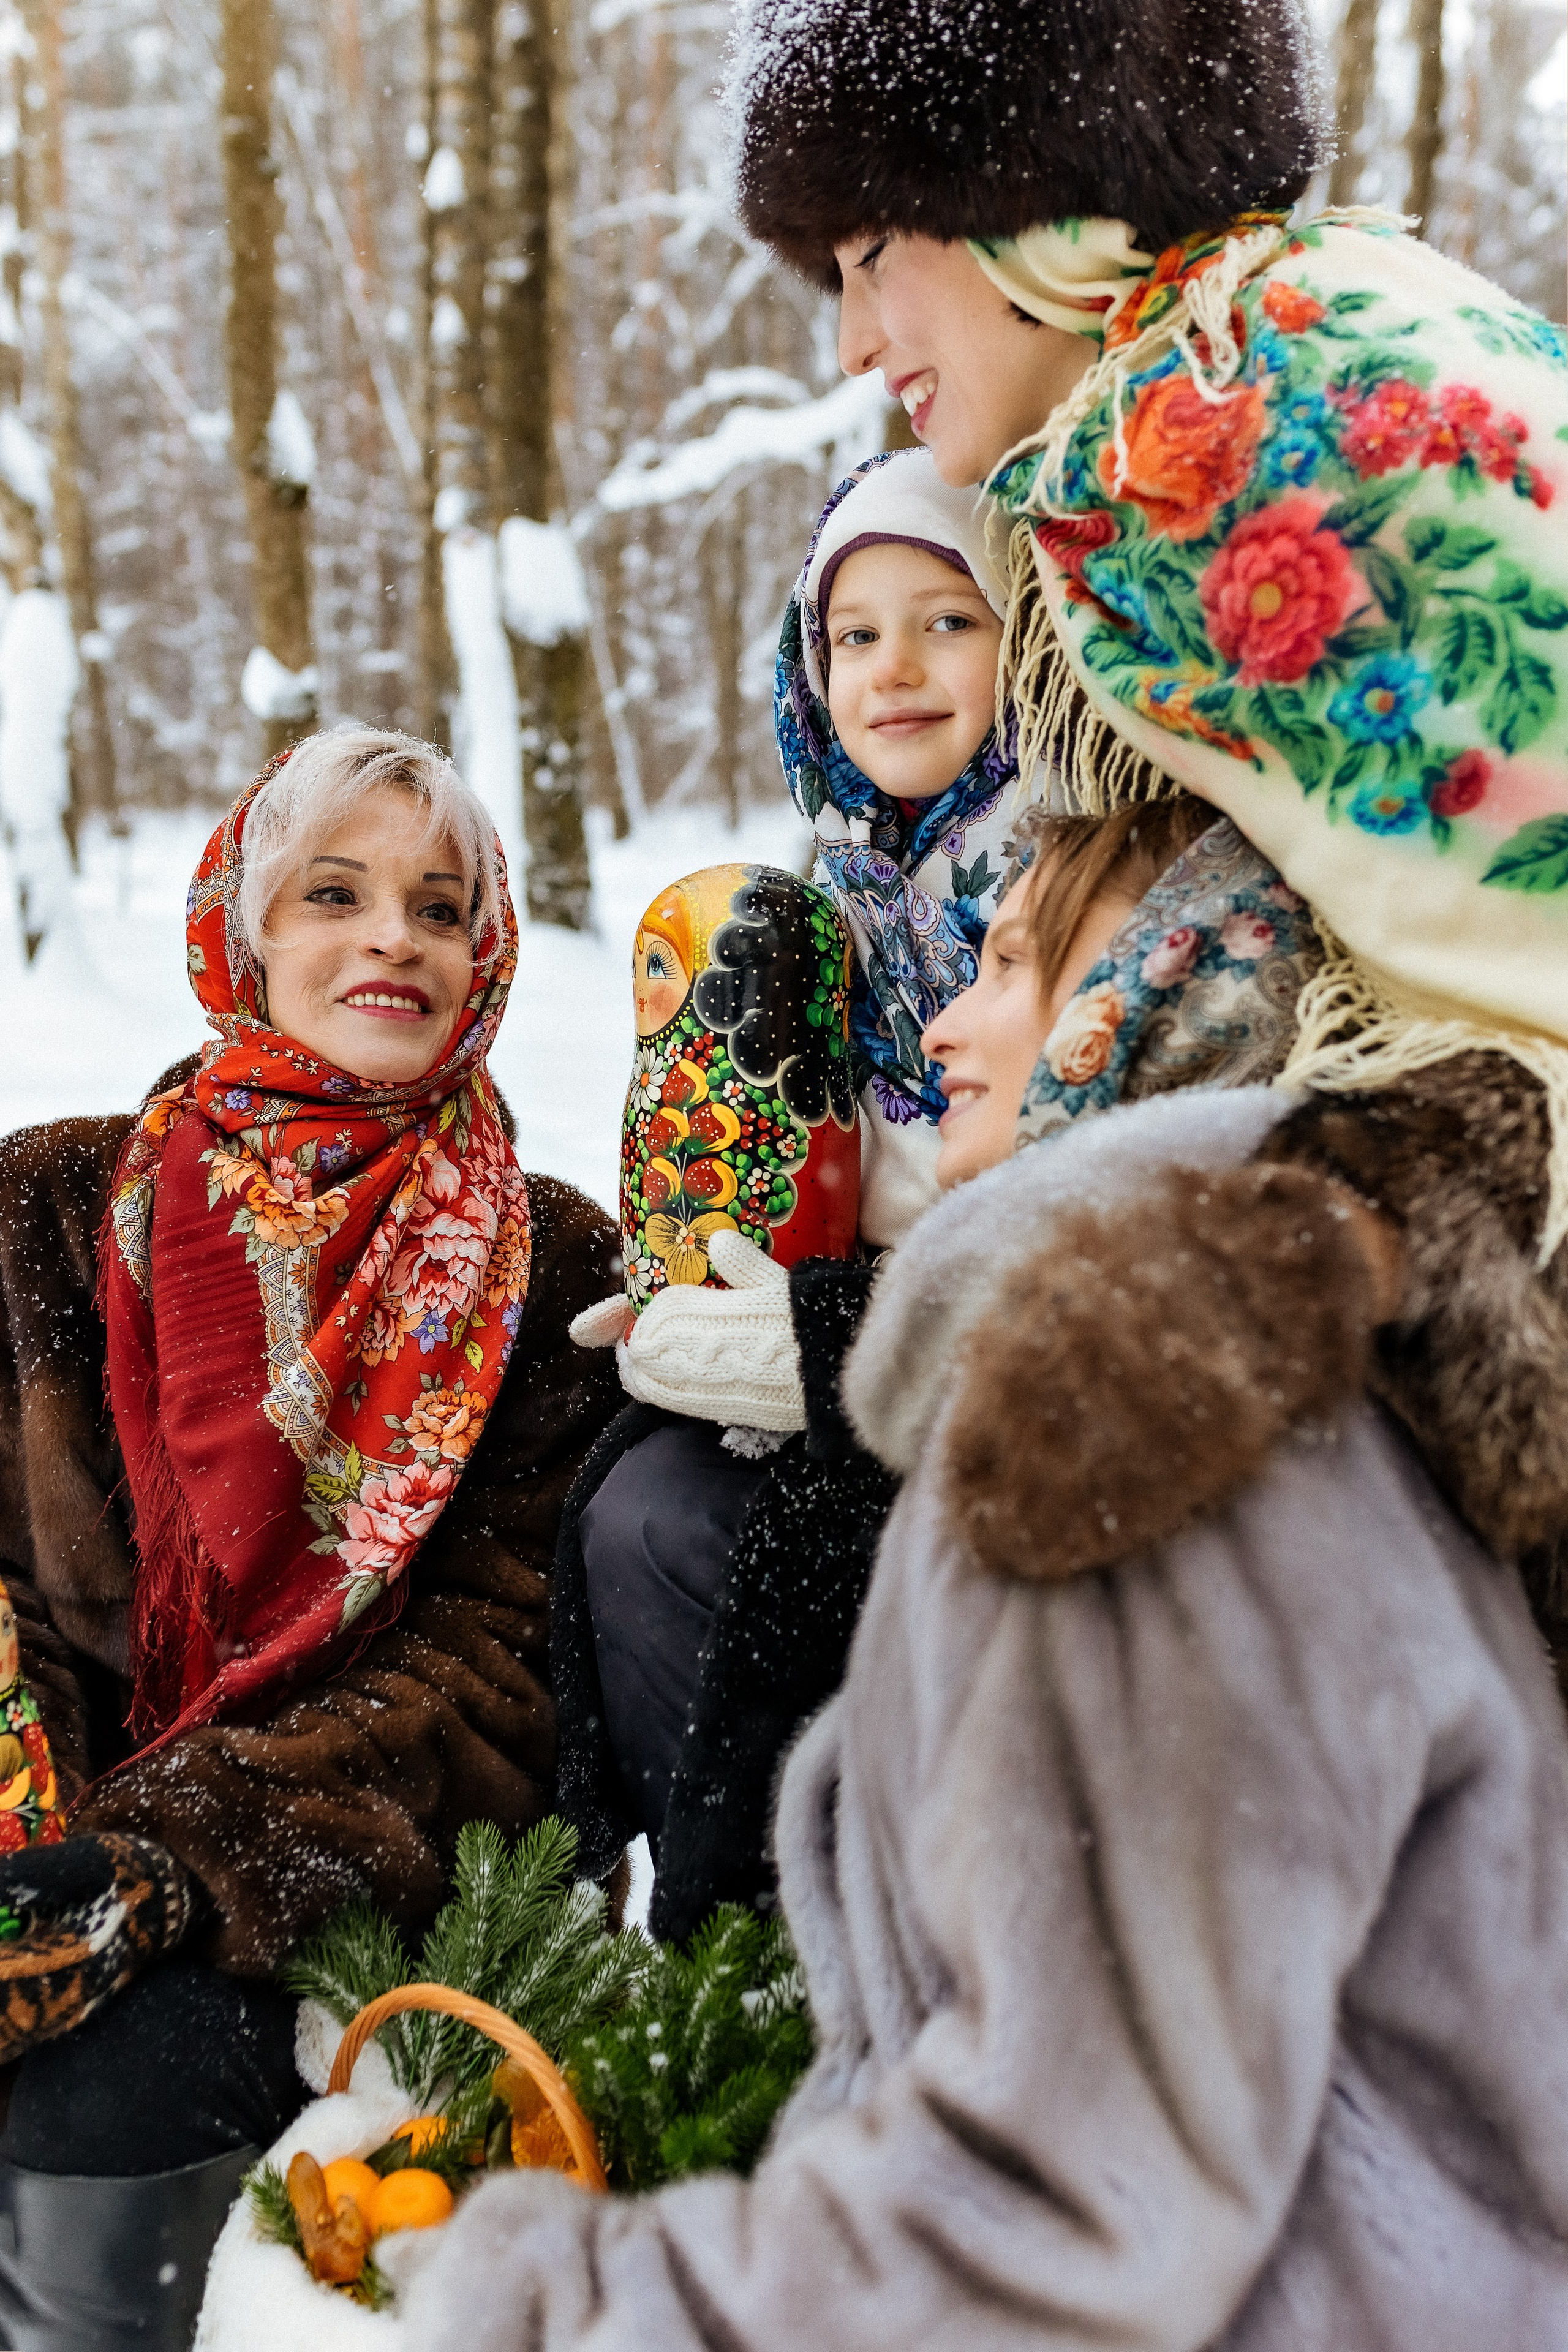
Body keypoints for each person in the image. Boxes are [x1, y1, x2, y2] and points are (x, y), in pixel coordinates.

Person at [395, 766, 1568, 2351]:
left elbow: (1071, 2206)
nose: (938, 1024)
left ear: (1162, 1006)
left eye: (1015, 968)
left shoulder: (1145, 1420)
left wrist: (553, 2305)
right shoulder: (1250, 1355)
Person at [0, 728, 621, 2348]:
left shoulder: (549, 1265)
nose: (390, 936)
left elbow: (498, 1685)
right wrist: (35, 1854)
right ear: (245, 925)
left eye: (438, 902)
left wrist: (166, 1861)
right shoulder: (50, 1210)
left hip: (339, 1889)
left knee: (97, 2089)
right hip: (46, 1839)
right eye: (333, 891)